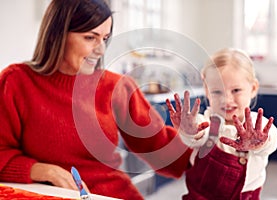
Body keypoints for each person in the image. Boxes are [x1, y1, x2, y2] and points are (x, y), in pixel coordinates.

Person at [0, 0, 193, 199]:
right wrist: (45, 171)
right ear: (57, 35)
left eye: (105, 38)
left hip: (112, 194)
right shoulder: (16, 82)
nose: (101, 49)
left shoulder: (116, 86)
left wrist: (208, 149)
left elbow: (157, 143)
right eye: (90, 37)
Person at [166, 48, 277, 200]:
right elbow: (197, 136)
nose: (226, 99)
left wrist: (260, 142)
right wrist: (191, 131)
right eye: (217, 92)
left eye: (236, 90)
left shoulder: (257, 126)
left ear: (253, 88)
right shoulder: (207, 122)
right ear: (207, 90)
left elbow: (272, 138)